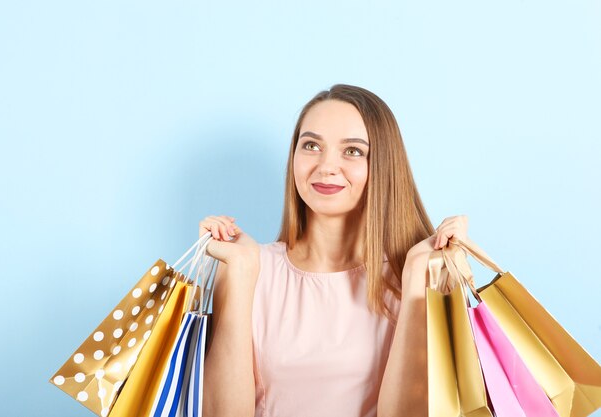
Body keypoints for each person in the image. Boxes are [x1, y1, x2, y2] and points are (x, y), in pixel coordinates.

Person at [199, 84, 469, 417]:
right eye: (311, 145)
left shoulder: (416, 274)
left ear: (382, 164)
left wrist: (414, 277)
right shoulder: (250, 269)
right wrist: (239, 270)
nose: (326, 166)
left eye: (353, 151)